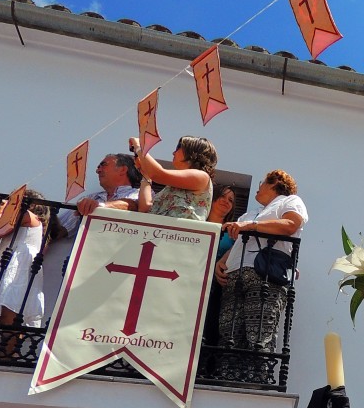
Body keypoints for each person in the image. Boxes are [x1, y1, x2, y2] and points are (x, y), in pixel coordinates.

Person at [216, 170, 306, 353]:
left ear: (274, 183)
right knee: (228, 337)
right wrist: (222, 262)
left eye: (262, 183)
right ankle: (227, 371)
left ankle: (256, 372)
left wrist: (251, 226)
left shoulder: (290, 201)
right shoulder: (250, 214)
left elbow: (291, 224)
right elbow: (240, 243)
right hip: (234, 278)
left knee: (259, 337)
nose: (259, 188)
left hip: (265, 277)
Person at [44, 153, 142, 314]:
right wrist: (38, 221)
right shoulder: (91, 197)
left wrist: (98, 207)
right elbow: (61, 229)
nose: (98, 170)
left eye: (103, 165)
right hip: (82, 266)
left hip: (115, 267)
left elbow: (132, 205)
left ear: (123, 169)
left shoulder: (139, 193)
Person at [0, 189, 51, 346]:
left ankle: (8, 354)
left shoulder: (29, 217)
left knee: (9, 314)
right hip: (1, 266)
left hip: (18, 269)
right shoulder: (11, 224)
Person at [129, 135, 216, 221]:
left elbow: (158, 174)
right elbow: (145, 208)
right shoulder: (171, 187)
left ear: (192, 152)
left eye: (178, 147)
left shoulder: (202, 177)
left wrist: (139, 147)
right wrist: (146, 175)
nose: (173, 153)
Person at [201, 185, 238, 347]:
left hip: (216, 288)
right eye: (222, 196)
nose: (226, 201)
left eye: (230, 200)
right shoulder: (197, 222)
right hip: (192, 280)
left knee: (210, 327)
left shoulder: (232, 233)